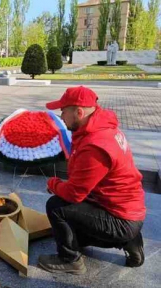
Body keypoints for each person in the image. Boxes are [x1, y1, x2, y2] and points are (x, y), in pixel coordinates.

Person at [39, 86, 146, 275]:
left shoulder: (95, 145)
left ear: (79, 112)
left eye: (63, 111)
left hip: (119, 217)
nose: (61, 117)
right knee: (73, 233)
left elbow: (74, 194)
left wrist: (53, 184)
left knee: (56, 206)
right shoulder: (103, 128)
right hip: (128, 209)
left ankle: (69, 260)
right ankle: (131, 240)